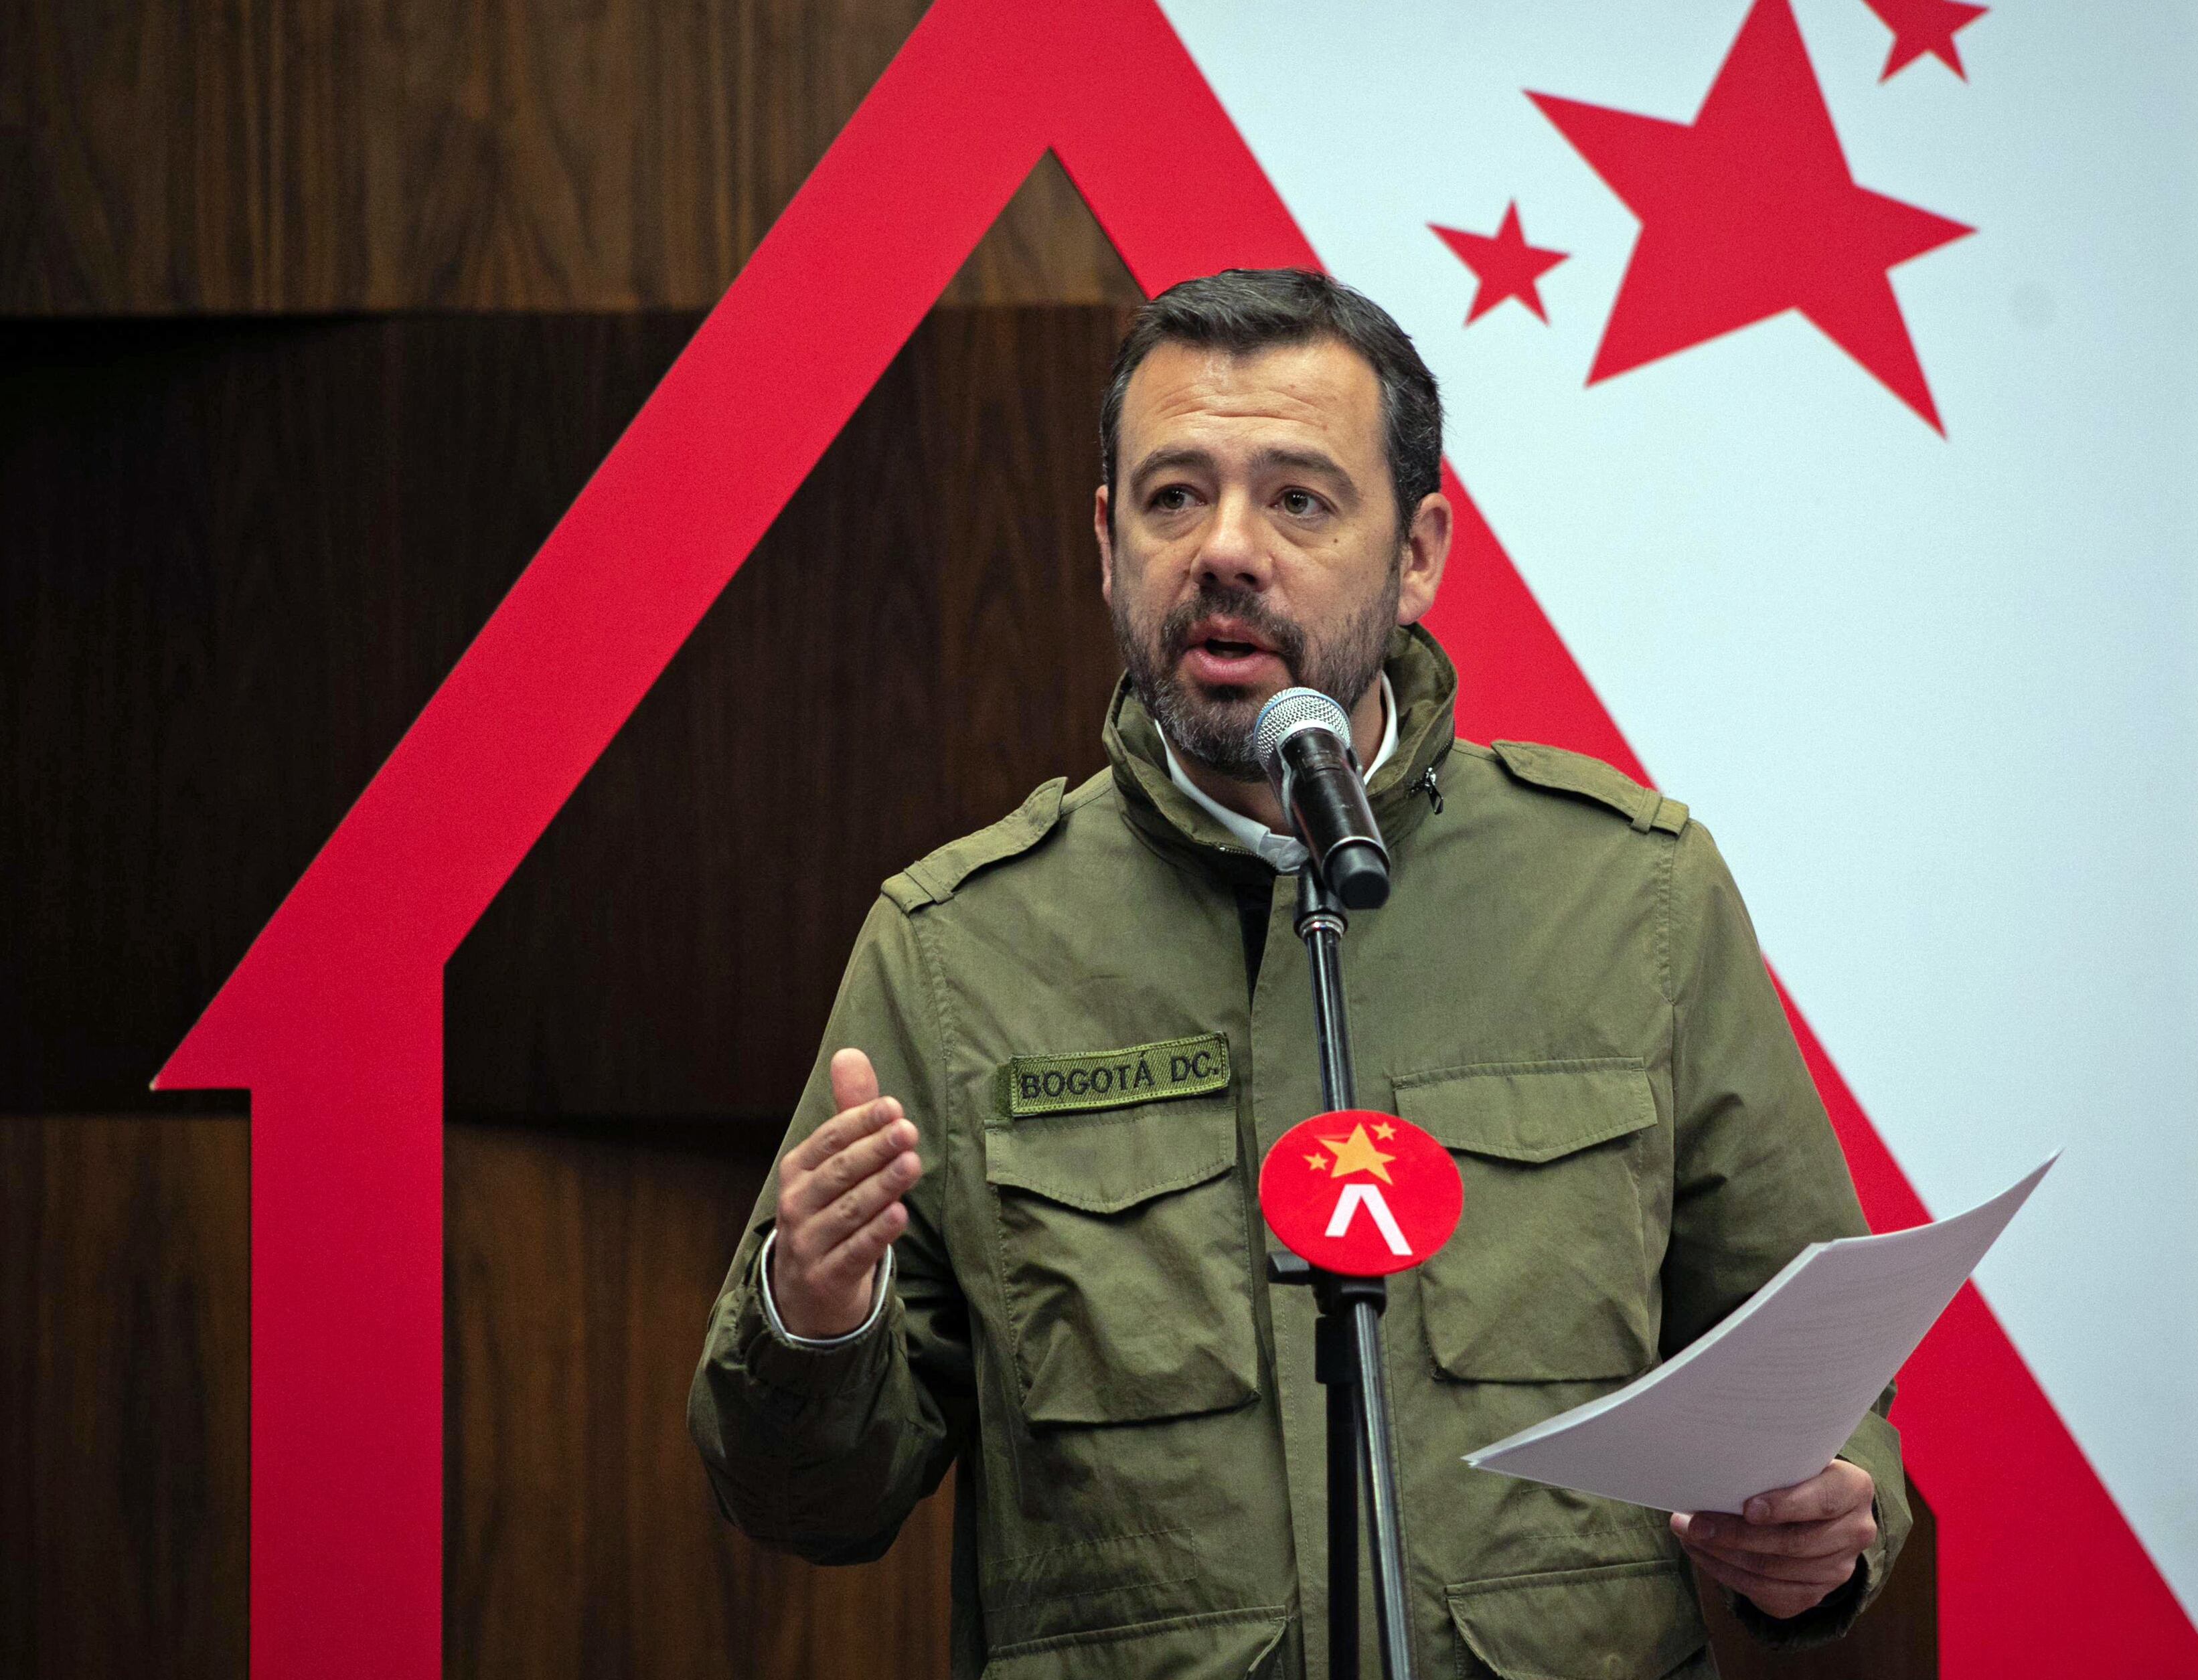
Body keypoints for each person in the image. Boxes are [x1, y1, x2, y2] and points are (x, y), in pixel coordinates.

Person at [688, 268, 1909, 1678]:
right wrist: (814, 1321)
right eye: (1172, 497)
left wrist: (1829, 1521)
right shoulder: (958, 949)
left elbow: (1814, 1369)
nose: (1225, 549)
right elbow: (803, 1502)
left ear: (1420, 553)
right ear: (1105, 542)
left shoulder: (1630, 894)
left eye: (1300, 500)